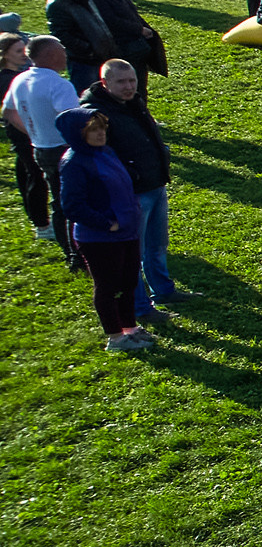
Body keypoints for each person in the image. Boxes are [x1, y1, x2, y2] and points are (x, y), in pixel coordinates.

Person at [82, 59, 187, 318]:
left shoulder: (133, 102)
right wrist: (127, 179)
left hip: (154, 183)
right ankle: (140, 306)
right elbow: (99, 156)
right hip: (130, 193)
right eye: (121, 82)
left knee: (156, 245)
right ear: (105, 83)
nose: (129, 86)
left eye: (132, 80)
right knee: (132, 254)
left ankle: (164, 290)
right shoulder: (95, 113)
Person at [56, 106, 152, 354]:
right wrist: (107, 223)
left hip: (126, 231)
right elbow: (72, 206)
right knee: (108, 286)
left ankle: (129, 328)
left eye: (102, 128)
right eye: (93, 130)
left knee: (129, 281)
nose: (100, 134)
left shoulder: (105, 151)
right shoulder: (74, 163)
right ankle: (115, 337)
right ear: (78, 133)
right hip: (100, 238)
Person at [4, 36, 81, 263]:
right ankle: (77, 254)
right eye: (61, 51)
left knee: (58, 203)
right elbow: (74, 121)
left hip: (40, 148)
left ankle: (69, 251)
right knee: (72, 203)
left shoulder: (20, 79)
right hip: (63, 150)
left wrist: (33, 131)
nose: (65, 55)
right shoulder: (59, 85)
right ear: (51, 55)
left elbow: (7, 112)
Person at [45, 0, 117, 91]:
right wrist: (88, 50)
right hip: (82, 61)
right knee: (86, 96)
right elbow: (61, 35)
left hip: (98, 56)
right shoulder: (58, 5)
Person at [0, 34, 42, 238]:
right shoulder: (7, 79)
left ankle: (36, 217)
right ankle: (41, 223)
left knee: (25, 171)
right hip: (23, 132)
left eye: (24, 49)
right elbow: (11, 113)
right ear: (4, 55)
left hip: (22, 132)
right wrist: (33, 133)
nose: (24, 54)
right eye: (18, 51)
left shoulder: (14, 75)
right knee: (36, 175)